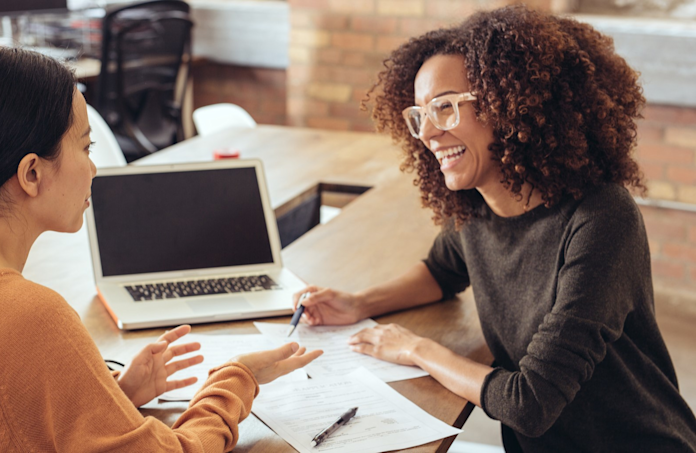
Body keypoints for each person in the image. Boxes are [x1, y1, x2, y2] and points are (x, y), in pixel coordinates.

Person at [0, 47, 322, 452]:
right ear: (31, 173)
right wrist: (235, 379)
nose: (94, 169)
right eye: (86, 148)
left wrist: (114, 395)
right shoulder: (24, 314)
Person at [293, 6, 696, 452]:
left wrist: (414, 349)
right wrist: (357, 302)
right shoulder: (478, 208)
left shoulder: (601, 219)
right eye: (419, 114)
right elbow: (440, 271)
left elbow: (529, 403)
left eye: (445, 108)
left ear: (510, 105)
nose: (427, 133)